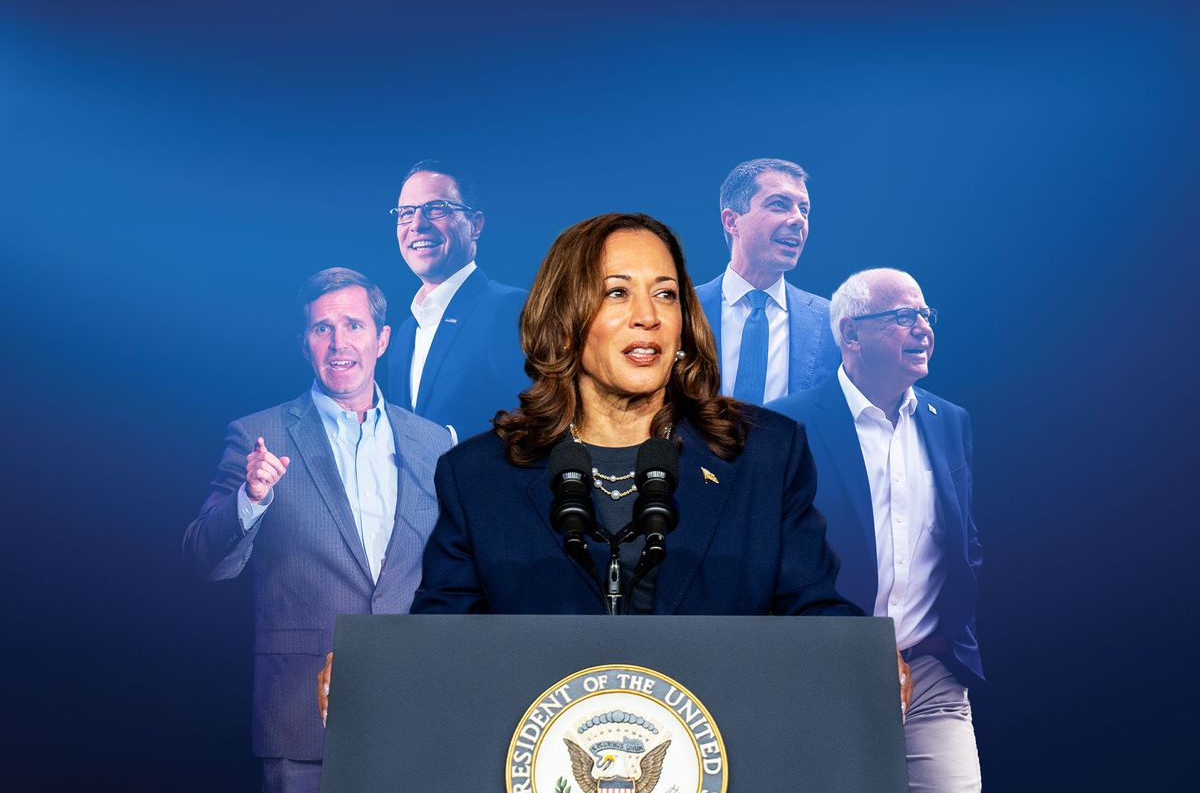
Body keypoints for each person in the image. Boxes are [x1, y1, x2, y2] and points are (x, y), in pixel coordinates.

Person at [317, 215, 912, 721]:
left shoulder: (765, 454)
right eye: (617, 292)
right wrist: (378, 670)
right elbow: (443, 642)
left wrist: (860, 654)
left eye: (667, 293)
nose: (648, 316)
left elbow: (810, 607)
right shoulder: (479, 475)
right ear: (565, 318)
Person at [183, 268, 452, 793]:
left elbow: (453, 571)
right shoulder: (258, 435)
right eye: (321, 329)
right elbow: (202, 557)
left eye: (353, 325)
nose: (338, 342)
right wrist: (251, 498)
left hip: (417, 707)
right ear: (305, 345)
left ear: (382, 339)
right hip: (303, 718)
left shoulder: (433, 442)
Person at [771, 268, 982, 792]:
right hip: (826, 675)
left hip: (931, 671)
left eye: (925, 315)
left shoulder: (948, 420)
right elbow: (773, 561)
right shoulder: (786, 426)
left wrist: (950, 640)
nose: (922, 328)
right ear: (850, 335)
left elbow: (963, 543)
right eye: (901, 317)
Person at [387, 159, 529, 442]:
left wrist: (449, 446)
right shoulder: (404, 333)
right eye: (406, 212)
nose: (417, 225)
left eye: (435, 208)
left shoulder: (507, 308)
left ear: (475, 225)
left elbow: (537, 421)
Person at [695, 158, 840, 406]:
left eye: (804, 210)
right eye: (779, 205)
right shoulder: (682, 309)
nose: (799, 220)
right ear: (732, 221)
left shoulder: (832, 322)